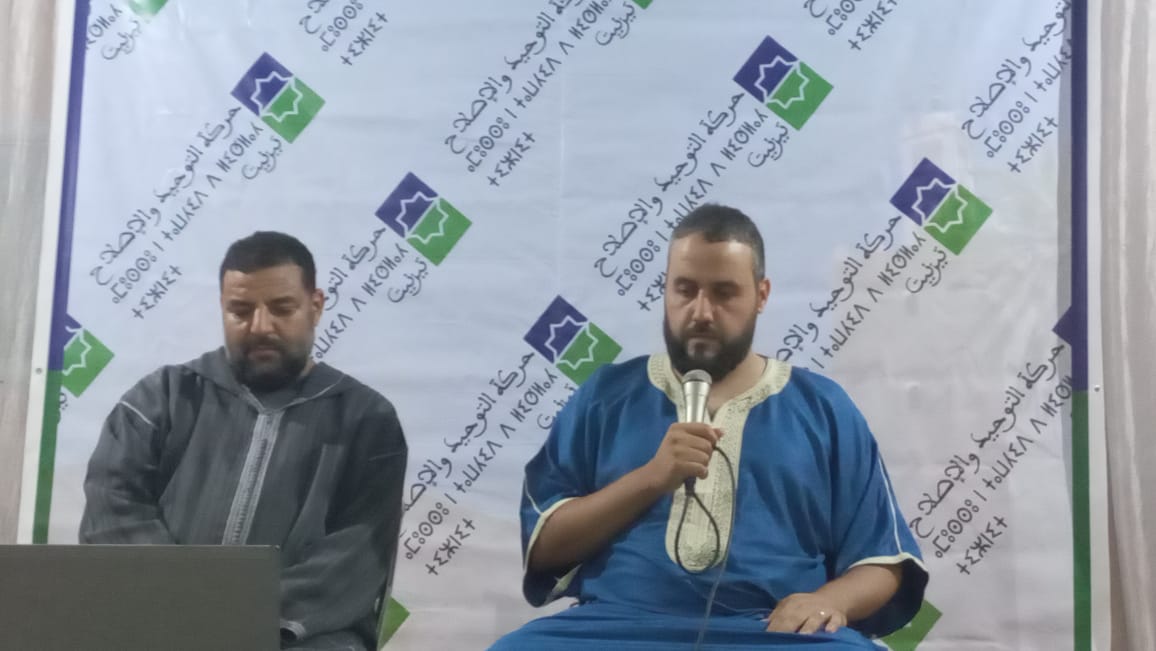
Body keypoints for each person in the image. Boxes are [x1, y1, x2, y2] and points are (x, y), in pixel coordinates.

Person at [491, 204, 928, 650]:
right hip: (617, 627)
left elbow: (884, 559)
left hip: (770, 633)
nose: (701, 311)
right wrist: (651, 478)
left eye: (724, 293)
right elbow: (545, 548)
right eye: (685, 290)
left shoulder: (823, 407)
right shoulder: (605, 396)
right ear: (665, 290)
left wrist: (826, 602)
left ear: (761, 295)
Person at [80, 231, 408, 651]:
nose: (260, 327)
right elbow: (113, 514)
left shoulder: (367, 421)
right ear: (222, 307)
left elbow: (354, 556)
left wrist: (240, 617)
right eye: (241, 310)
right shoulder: (161, 398)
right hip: (161, 624)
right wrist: (181, 605)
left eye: (282, 309)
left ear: (316, 305)